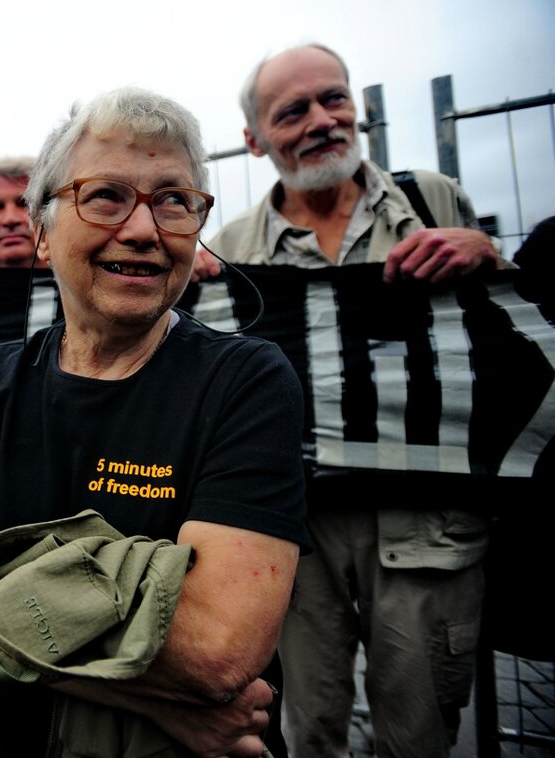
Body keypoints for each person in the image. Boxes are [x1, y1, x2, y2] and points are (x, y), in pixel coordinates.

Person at [0, 87, 310, 757]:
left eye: (174, 200)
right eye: (105, 196)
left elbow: (215, 649)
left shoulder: (248, 381)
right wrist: (154, 694)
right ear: (41, 227)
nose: (145, 230)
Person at [198, 43, 502, 758]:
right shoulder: (232, 249)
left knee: (418, 734)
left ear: (357, 109)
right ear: (253, 139)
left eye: (333, 99)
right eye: (292, 110)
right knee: (307, 728)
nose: (320, 121)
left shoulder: (432, 199)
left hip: (425, 527)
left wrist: (486, 255)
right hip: (296, 537)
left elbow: (510, 337)